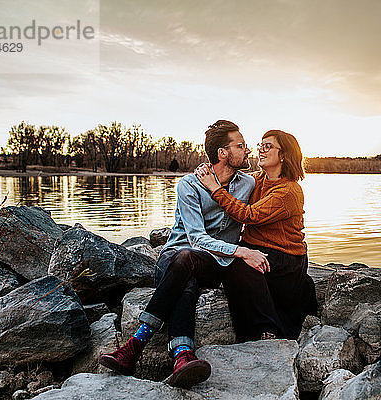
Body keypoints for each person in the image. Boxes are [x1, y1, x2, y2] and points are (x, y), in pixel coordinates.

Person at [99, 120, 270, 388]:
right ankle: (182, 356)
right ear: (222, 153)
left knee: (189, 269)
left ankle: (135, 344)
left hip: (214, 263)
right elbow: (196, 239)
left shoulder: (247, 183)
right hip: (178, 256)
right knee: (185, 269)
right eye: (240, 145)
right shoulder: (189, 185)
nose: (247, 150)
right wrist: (242, 251)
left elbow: (273, 182)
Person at [195, 129, 317, 342]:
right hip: (257, 247)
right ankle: (251, 331)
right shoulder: (258, 179)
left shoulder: (288, 191)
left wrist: (214, 189)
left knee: (238, 267)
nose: (260, 149)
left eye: (268, 146)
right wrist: (210, 172)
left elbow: (248, 215)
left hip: (284, 256)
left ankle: (266, 330)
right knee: (233, 263)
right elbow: (230, 178)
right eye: (261, 145)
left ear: (283, 155)